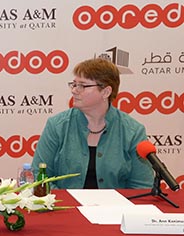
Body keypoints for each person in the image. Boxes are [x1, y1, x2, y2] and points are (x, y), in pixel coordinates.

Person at [32, 58, 153, 189]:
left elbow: (142, 187)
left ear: (106, 92)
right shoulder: (57, 126)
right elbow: (39, 176)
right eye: (74, 84)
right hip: (66, 207)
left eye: (82, 86)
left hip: (116, 208)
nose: (74, 90)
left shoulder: (133, 131)